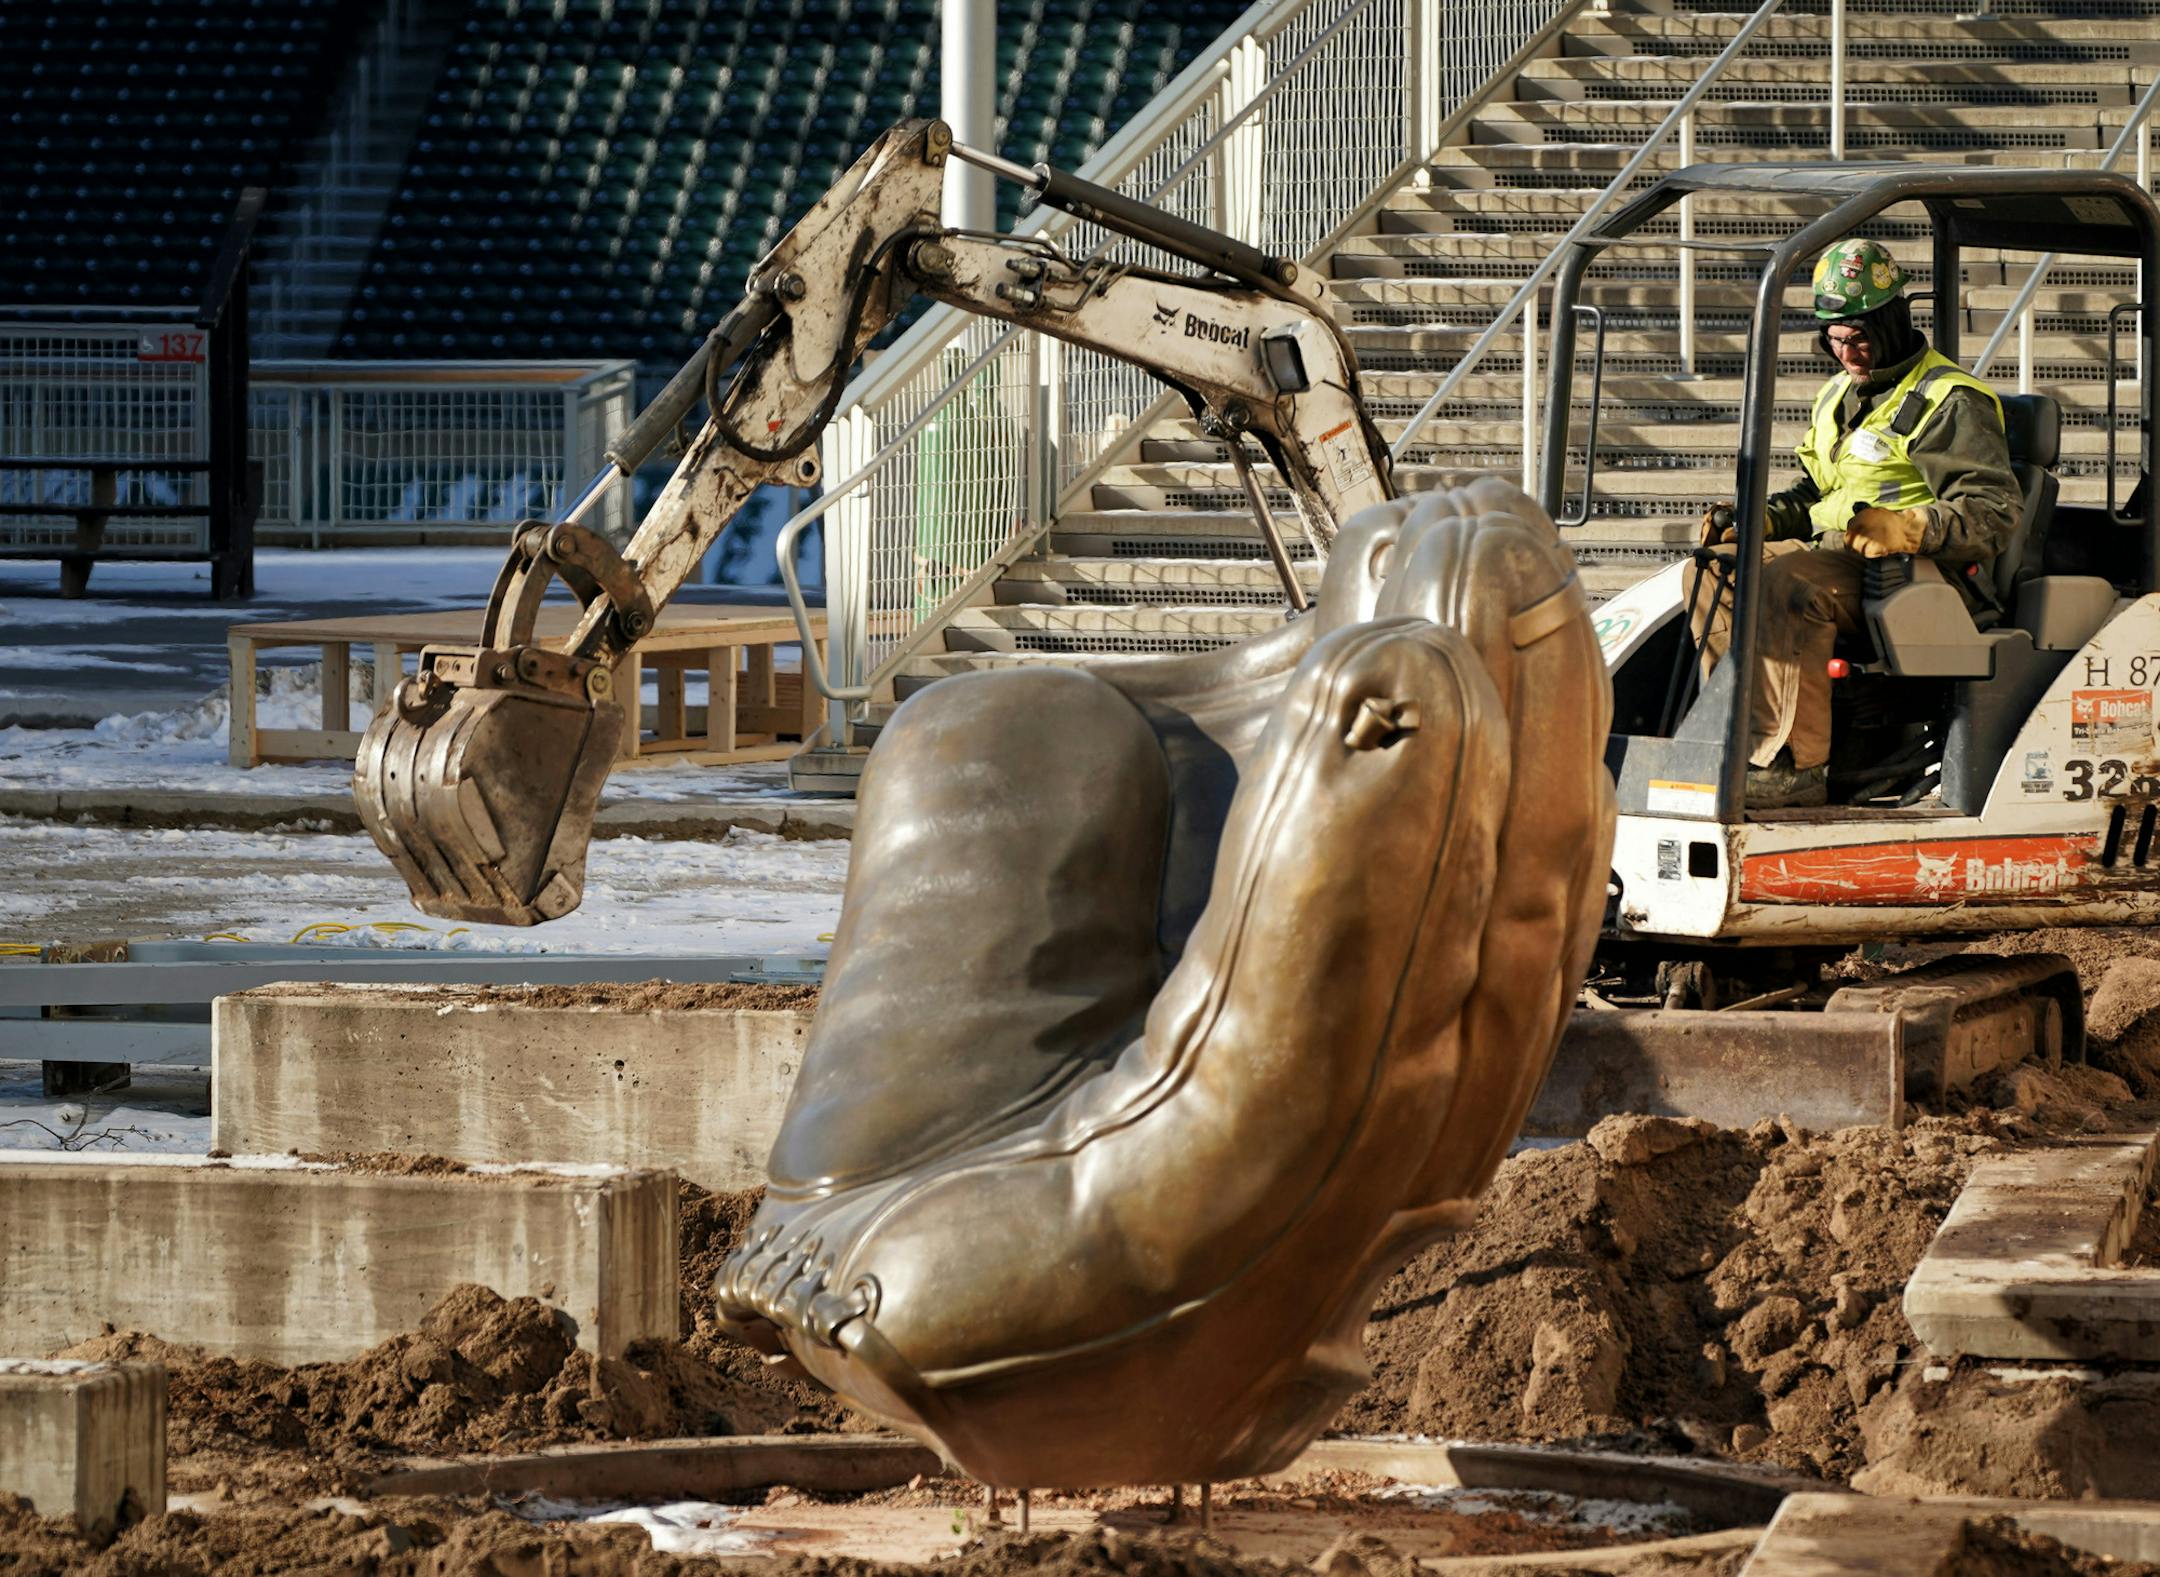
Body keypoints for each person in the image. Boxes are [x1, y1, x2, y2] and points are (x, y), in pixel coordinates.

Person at [1691, 237, 2022, 808]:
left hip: (1927, 575)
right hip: (1840, 556)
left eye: (1858, 339)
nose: (1847, 354)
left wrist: (1910, 527)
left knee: (1793, 584)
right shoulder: (1839, 394)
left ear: (1892, 322)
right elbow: (1817, 490)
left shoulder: (1949, 400)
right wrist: (1759, 522)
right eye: (1836, 340)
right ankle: (1731, 739)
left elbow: (1994, 512)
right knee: (1717, 571)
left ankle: (1793, 766)